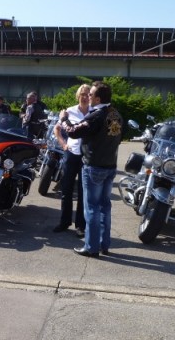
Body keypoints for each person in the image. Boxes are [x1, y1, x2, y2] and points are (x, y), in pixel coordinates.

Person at [61, 81, 123, 257]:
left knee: (92, 208)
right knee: (105, 207)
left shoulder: (97, 115)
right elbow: (119, 137)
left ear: (98, 99)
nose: (88, 97)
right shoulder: (116, 114)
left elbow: (72, 131)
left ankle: (91, 247)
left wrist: (63, 119)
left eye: (91, 94)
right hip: (110, 166)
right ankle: (104, 244)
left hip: (94, 166)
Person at [52, 84, 90, 237]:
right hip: (71, 153)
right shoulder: (70, 111)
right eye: (82, 94)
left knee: (83, 191)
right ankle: (64, 221)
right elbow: (57, 129)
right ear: (78, 96)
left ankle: (80, 225)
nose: (85, 97)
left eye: (88, 94)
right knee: (66, 189)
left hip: (86, 156)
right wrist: (63, 144)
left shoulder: (94, 113)